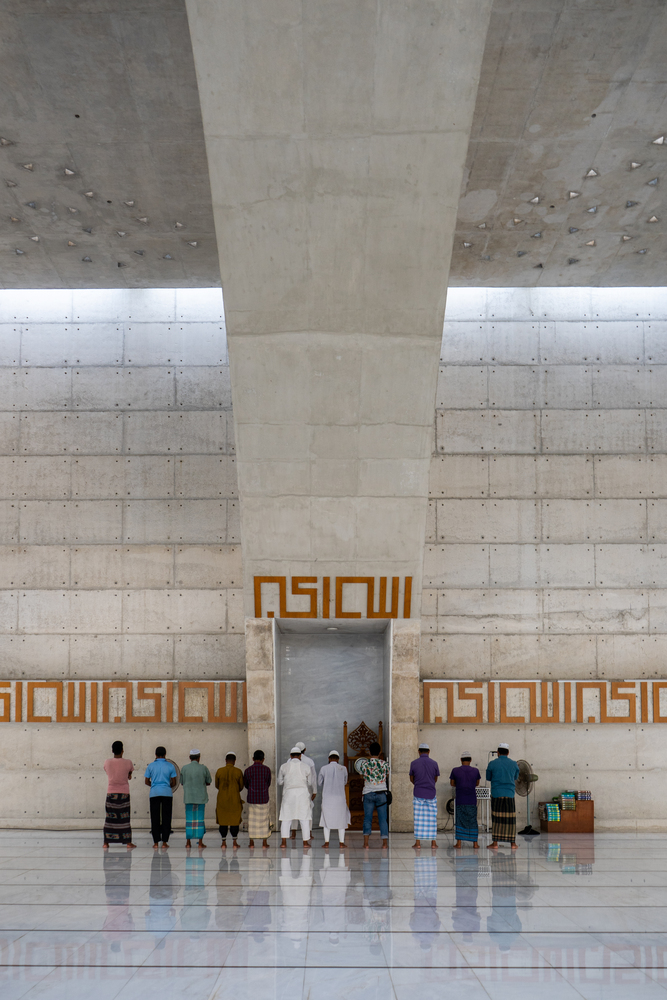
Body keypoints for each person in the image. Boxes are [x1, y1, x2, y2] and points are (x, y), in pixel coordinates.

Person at [354, 741, 390, 849]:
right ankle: (384, 844)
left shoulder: (364, 764)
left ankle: (366, 844)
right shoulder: (385, 764)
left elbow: (361, 776)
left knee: (367, 818)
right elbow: (387, 775)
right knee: (383, 819)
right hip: (381, 793)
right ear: (379, 752)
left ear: (369, 752)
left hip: (368, 793)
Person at [278, 747, 316, 848]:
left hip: (288, 794)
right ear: (300, 756)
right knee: (304, 819)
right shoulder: (306, 766)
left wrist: (288, 781)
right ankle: (305, 843)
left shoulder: (283, 766)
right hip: (302, 794)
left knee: (286, 819)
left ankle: (283, 843)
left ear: (290, 756)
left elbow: (280, 782)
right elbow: (309, 782)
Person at [103, 740, 136, 850]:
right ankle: (128, 842)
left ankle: (106, 842)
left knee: (110, 817)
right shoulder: (128, 762)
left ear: (112, 750)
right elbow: (129, 775)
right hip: (124, 793)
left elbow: (108, 772)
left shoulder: (107, 762)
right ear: (122, 750)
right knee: (124, 818)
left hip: (111, 792)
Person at [486, 743, 520, 850]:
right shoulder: (514, 764)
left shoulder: (492, 764)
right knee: (510, 819)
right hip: (509, 794)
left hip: (496, 793)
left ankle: (495, 843)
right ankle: (513, 844)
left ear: (498, 752)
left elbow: (488, 777)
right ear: (508, 753)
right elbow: (516, 777)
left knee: (497, 819)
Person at [144, 746, 178, 850]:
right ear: (165, 754)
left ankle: (155, 842)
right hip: (167, 793)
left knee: (155, 817)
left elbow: (146, 781)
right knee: (166, 817)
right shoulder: (170, 766)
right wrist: (166, 786)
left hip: (154, 793)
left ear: (155, 755)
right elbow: (174, 782)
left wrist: (155, 785)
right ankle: (164, 842)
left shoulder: (151, 766)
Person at [409, 742, 440, 850]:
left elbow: (411, 779)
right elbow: (435, 779)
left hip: (418, 793)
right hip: (431, 793)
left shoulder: (413, 763)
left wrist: (419, 785)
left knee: (418, 819)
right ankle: (433, 843)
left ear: (419, 752)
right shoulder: (434, 763)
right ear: (429, 751)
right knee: (432, 819)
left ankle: (418, 843)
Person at [317, 750, 350, 849]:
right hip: (340, 798)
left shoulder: (323, 768)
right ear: (338, 759)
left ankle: (326, 843)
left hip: (327, 798)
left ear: (329, 758)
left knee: (326, 820)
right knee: (341, 820)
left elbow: (319, 783)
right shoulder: (343, 768)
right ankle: (341, 843)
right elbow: (345, 781)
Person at [180, 749, 212, 849]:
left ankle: (188, 843)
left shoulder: (184, 768)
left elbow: (182, 782)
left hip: (189, 798)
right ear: (199, 758)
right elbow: (209, 781)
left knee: (189, 820)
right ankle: (200, 843)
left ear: (190, 758)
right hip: (200, 798)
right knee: (200, 820)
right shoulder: (203, 768)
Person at [450, 751, 481, 849]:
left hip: (460, 799)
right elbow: (477, 783)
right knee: (472, 820)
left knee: (460, 820)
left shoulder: (455, 770)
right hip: (471, 799)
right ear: (470, 760)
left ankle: (459, 843)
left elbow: (452, 783)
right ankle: (475, 844)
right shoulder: (475, 771)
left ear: (461, 760)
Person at [215, 752, 245, 849]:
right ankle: (235, 843)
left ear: (225, 760)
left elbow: (217, 785)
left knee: (222, 821)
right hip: (235, 800)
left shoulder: (219, 771)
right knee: (234, 821)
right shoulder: (238, 771)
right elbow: (241, 786)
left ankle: (223, 843)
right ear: (234, 761)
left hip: (222, 800)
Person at [244, 749, 272, 848]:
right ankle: (264, 843)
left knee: (252, 821)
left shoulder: (248, 770)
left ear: (253, 758)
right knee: (265, 820)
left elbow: (246, 784)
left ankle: (251, 843)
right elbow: (268, 783)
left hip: (252, 799)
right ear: (263, 759)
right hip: (264, 798)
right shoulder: (267, 770)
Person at [291, 741, 317, 840]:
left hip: (293, 789)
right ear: (305, 749)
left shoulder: (289, 761)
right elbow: (313, 777)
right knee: (308, 810)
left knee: (294, 810)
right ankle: (309, 833)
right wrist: (314, 791)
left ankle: (293, 832)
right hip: (306, 789)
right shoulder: (309, 761)